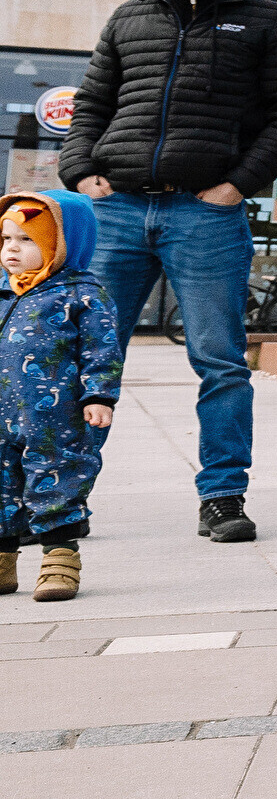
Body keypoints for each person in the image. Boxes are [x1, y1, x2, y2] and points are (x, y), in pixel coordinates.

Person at [58, 0, 277, 545]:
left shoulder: (271, 21)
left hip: (205, 214)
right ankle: (61, 495)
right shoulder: (131, 17)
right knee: (88, 357)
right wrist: (80, 171)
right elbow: (91, 104)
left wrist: (237, 185)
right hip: (116, 210)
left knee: (220, 361)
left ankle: (222, 497)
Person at [0, 192, 122, 603]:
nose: (12, 249)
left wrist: (99, 396)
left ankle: (60, 562)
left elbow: (102, 350)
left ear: (62, 244)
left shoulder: (82, 294)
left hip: (55, 418)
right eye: (6, 239)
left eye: (27, 240)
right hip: (2, 415)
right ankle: (3, 563)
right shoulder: (4, 291)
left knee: (56, 482)